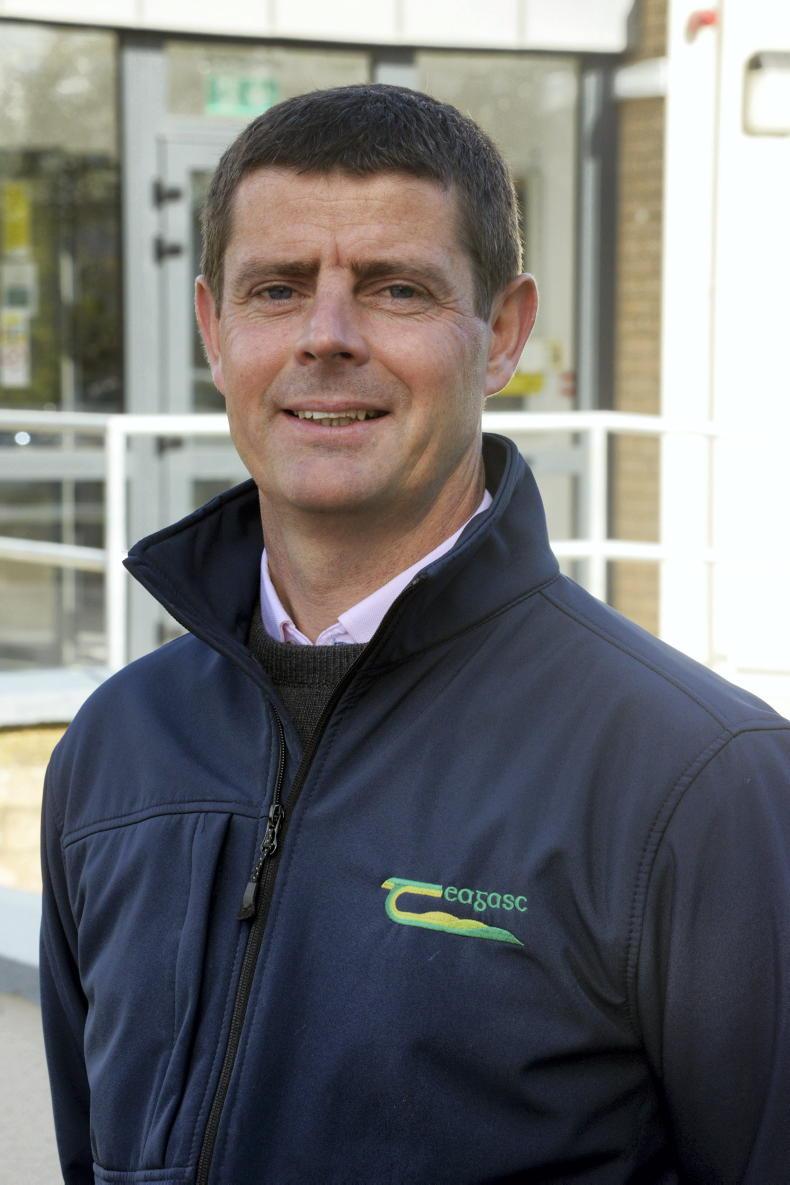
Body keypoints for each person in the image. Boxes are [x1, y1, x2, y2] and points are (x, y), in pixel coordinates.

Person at [40, 84, 790, 1185]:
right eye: (276, 289)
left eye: (396, 288)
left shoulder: (699, 783)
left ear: (503, 334)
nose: (326, 337)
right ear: (214, 330)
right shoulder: (114, 750)